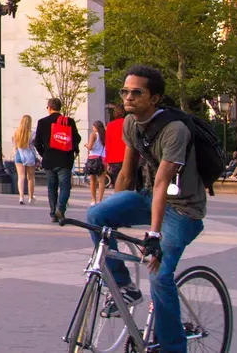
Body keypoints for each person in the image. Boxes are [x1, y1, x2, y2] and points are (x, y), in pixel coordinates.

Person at [87, 65, 206, 353]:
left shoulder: (174, 131)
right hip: (149, 197)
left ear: (154, 98)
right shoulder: (131, 123)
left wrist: (153, 236)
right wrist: (113, 212)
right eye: (125, 91)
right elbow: (127, 175)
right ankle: (124, 287)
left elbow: (162, 182)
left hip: (184, 209)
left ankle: (173, 348)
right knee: (96, 215)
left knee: (159, 276)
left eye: (136, 92)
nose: (128, 97)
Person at [34, 97, 81, 223]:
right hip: (64, 160)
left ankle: (53, 213)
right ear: (60, 108)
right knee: (65, 187)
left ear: (49, 107)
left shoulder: (42, 122)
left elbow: (37, 142)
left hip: (49, 160)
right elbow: (76, 139)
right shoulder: (68, 121)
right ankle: (60, 208)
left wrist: (44, 154)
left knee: (51, 187)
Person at [12, 114, 39, 205]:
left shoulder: (17, 133)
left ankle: (21, 197)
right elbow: (35, 145)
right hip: (30, 156)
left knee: (21, 177)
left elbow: (15, 146)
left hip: (19, 155)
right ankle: (31, 197)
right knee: (30, 177)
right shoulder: (33, 134)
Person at [85, 120, 108, 205]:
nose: (92, 128)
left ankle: (93, 199)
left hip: (93, 158)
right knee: (102, 181)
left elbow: (90, 147)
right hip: (103, 158)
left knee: (93, 180)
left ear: (96, 127)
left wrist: (86, 145)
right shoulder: (105, 135)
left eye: (93, 126)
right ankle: (100, 200)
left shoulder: (93, 135)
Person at [105, 102, 127, 186]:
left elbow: (108, 143)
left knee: (118, 182)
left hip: (114, 158)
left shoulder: (110, 125)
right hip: (127, 156)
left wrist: (107, 161)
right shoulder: (128, 123)